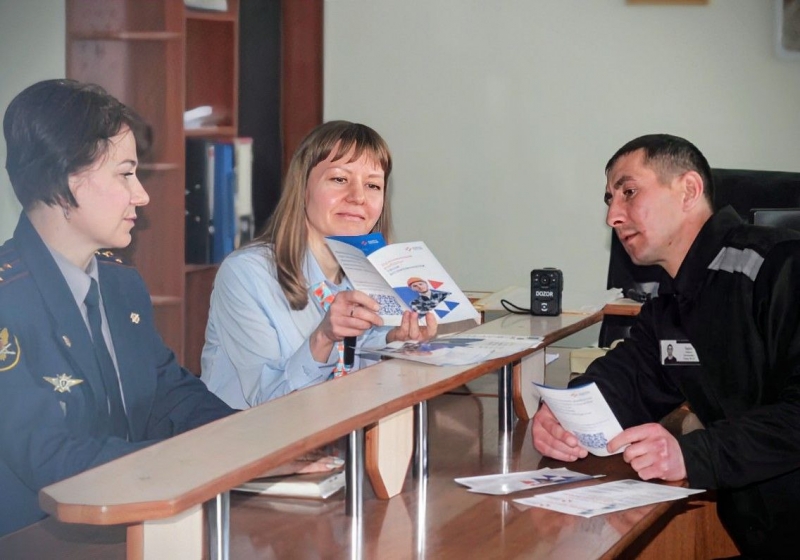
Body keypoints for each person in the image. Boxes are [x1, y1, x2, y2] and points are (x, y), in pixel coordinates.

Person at [532, 134, 800, 557]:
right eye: (609, 200)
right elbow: (630, 377)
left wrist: (691, 456)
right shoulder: (671, 303)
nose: (612, 216)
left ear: (688, 190)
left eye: (629, 192)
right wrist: (565, 414)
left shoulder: (783, 265)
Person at [0, 79, 237, 537]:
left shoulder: (120, 282)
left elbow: (169, 392)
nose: (141, 195)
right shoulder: (8, 301)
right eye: (125, 174)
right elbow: (51, 457)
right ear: (66, 181)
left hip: (134, 524)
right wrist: (196, 461)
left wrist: (249, 441)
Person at [201, 121, 437, 408]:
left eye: (373, 185)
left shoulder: (367, 277)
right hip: (252, 433)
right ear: (303, 188)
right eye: (339, 179)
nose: (358, 197)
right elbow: (268, 403)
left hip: (337, 430)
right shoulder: (246, 274)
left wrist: (394, 341)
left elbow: (360, 369)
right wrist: (323, 337)